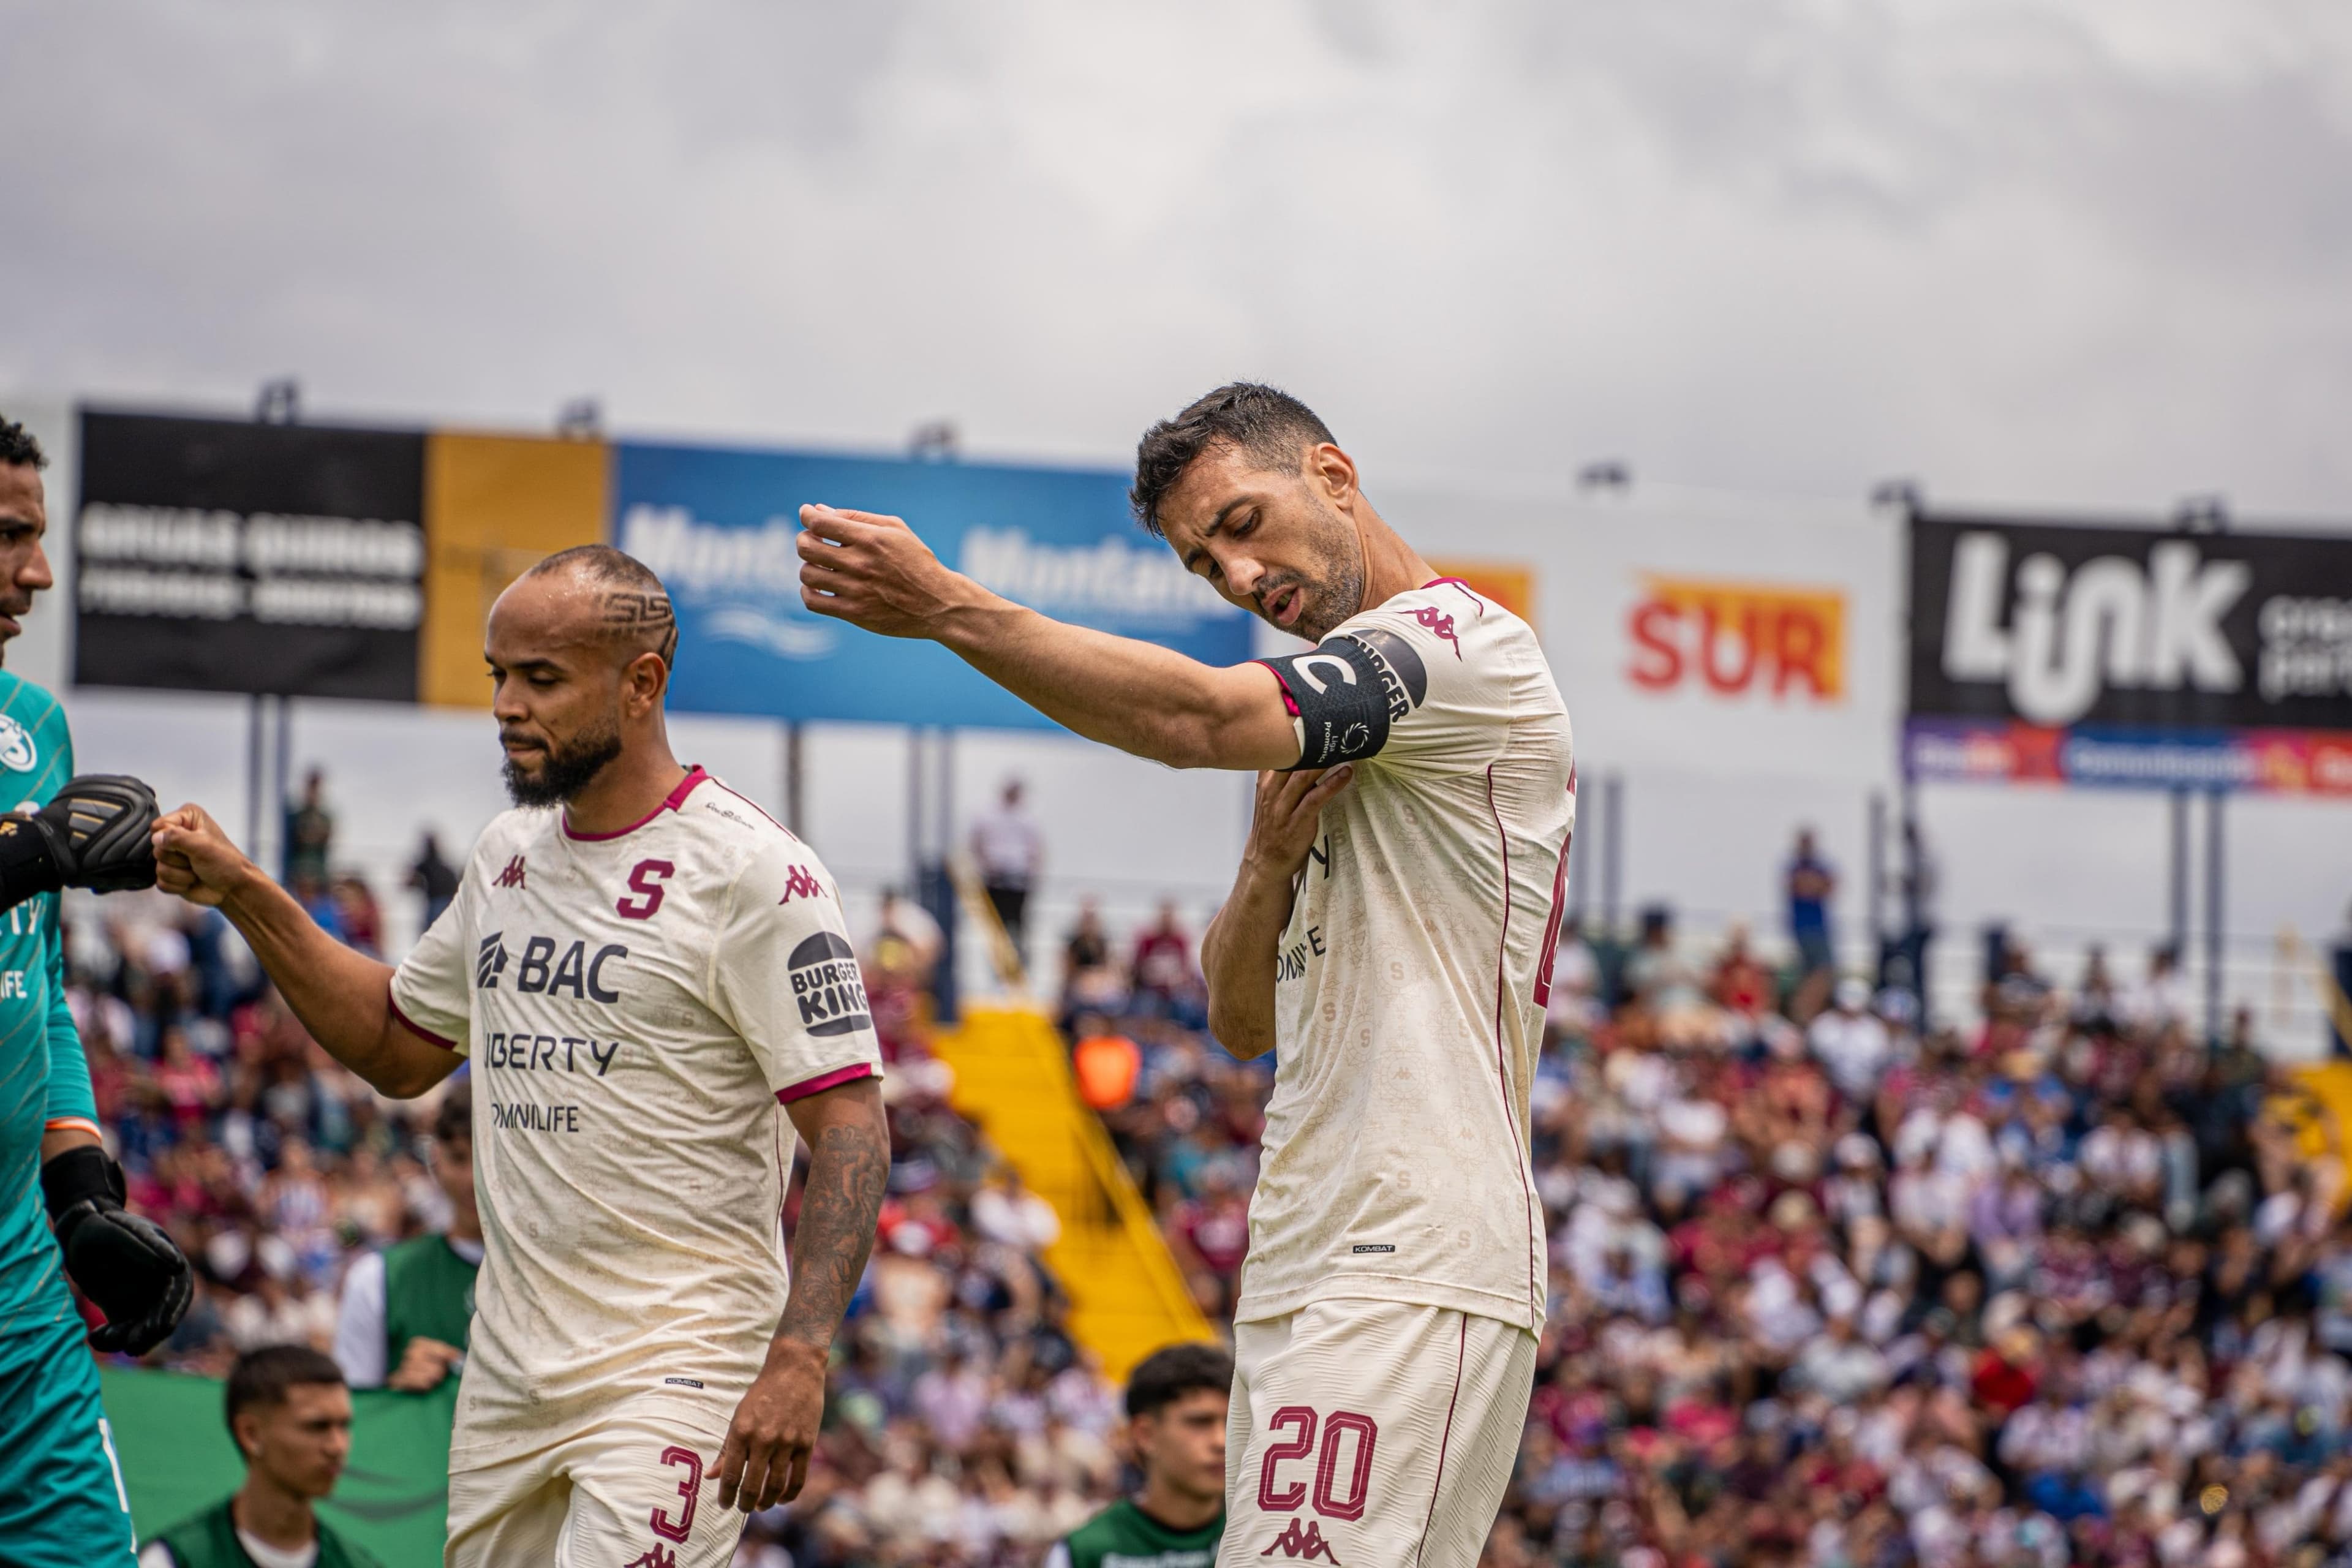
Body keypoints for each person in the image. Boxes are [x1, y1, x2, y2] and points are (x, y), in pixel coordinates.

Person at [795, 382, 1573, 1565]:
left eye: (1243, 525)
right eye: (1206, 566)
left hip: (1410, 1241)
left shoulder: (1459, 647)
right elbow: (1240, 1018)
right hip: (1307, 1250)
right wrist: (1266, 864)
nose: (1240, 577)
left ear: (1333, 475)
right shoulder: (1332, 739)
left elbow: (1199, 720)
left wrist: (951, 607)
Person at [151, 544, 891, 1567]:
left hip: (679, 1366)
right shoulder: (506, 854)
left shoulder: (754, 872)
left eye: (541, 678)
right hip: (508, 1376)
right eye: (499, 674)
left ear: (642, 684)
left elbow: (851, 1123)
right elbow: (399, 1049)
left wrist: (801, 1353)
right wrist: (244, 890)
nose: (506, 706)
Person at [0, 413, 194, 1568]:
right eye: (7, 535)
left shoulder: (34, 727)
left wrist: (78, 1189)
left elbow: (32, 980)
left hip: (20, 1288)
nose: (39, 572)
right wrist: (23, 857)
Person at [137, 1344, 383, 1568]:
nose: (338, 1446)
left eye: (344, 1426)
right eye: (317, 1427)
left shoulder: (357, 1564)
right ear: (251, 1434)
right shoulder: (173, 1561)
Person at [332, 1083, 478, 1392]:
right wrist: (397, 1391)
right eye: (458, 1158)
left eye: (488, 1160)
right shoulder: (379, 1279)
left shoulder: (559, 1275)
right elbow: (352, 1409)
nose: (472, 1179)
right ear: (436, 1160)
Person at [1047, 1342, 1231, 1568]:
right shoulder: (1087, 1551)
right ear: (1145, 1435)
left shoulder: (1262, 1534)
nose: (1221, 1441)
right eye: (1200, 1423)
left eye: (1232, 1423)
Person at [970, 778, 1043, 955]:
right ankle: (998, 957)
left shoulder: (1027, 818)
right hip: (995, 879)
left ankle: (1019, 956)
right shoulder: (987, 815)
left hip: (1019, 880)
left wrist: (1033, 874)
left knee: (1018, 925)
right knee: (996, 925)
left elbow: (1036, 848)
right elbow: (976, 842)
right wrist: (985, 865)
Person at [1785, 827, 1836, 980]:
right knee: (1817, 971)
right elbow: (1800, 888)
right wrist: (1814, 885)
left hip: (1819, 927)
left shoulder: (1820, 867)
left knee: (1822, 971)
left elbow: (1830, 887)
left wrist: (1813, 885)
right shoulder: (1794, 868)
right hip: (1803, 928)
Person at [282, 771, 333, 889]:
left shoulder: (324, 818)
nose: (313, 794)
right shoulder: (295, 817)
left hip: (317, 872)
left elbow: (323, 839)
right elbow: (301, 838)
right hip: (295, 872)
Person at [405, 830, 460, 932]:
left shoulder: (426, 865)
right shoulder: (442, 864)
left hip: (437, 902)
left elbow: (410, 882)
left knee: (432, 932)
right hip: (447, 902)